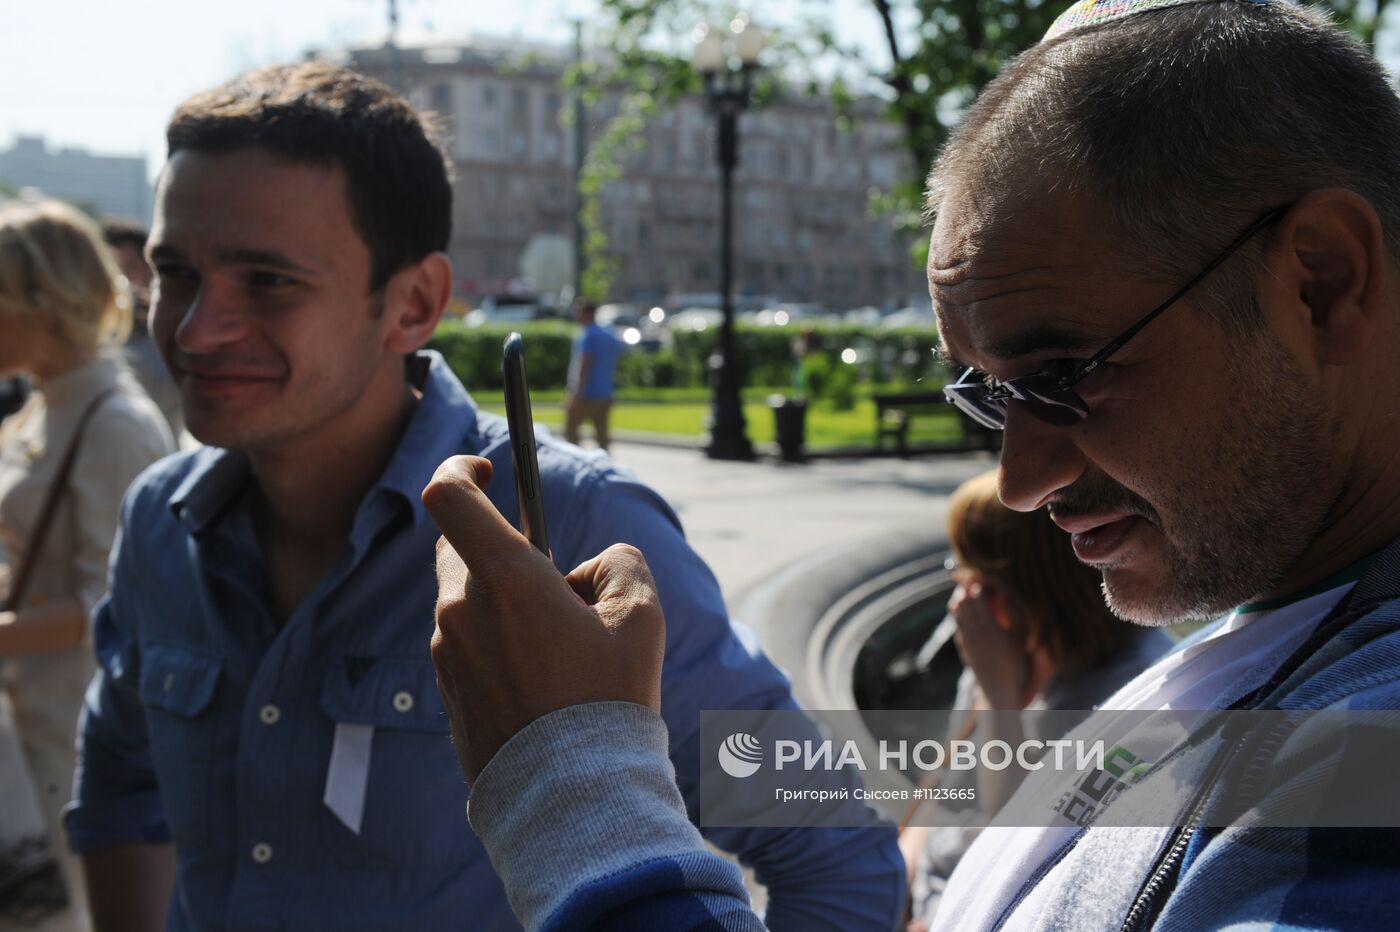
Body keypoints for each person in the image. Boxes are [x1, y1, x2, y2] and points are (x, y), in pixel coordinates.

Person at [423, 0, 1400, 928]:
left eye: (1061, 375)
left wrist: (576, 793)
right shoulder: (1279, 620)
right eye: (987, 393)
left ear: (1319, 283)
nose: (1017, 479)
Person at [63, 63, 903, 932]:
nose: (195, 329)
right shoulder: (157, 519)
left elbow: (840, 856)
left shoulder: (576, 528)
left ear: (414, 302)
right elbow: (122, 791)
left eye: (267, 281)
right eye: (174, 273)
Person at [0, 200, 174, 930]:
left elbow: (109, 609)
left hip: (70, 733)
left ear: (46, 301)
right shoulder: (43, 408)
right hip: (27, 722)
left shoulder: (115, 423)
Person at [900, 470, 1173, 928]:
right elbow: (939, 788)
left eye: (974, 573)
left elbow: (1022, 853)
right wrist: (894, 876)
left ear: (1031, 584)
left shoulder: (1130, 698)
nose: (960, 598)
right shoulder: (1010, 648)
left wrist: (999, 698)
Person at [100, 219, 184, 442]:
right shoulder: (88, 338)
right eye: (108, 271)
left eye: (127, 269)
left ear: (150, 269)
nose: (120, 282)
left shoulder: (177, 332)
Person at [564, 299, 621, 452]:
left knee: (571, 431)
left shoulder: (587, 335)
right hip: (605, 391)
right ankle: (605, 467)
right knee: (602, 436)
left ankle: (577, 464)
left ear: (586, 313)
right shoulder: (609, 334)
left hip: (586, 394)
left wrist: (576, 393)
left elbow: (584, 365)